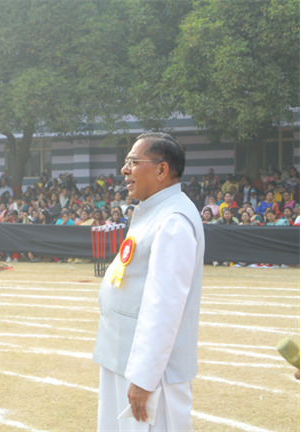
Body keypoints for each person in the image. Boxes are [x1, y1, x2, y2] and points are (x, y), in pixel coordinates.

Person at [93, 132, 204, 432]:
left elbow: (164, 306)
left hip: (151, 374)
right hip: (123, 355)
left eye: (133, 162)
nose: (124, 170)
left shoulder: (173, 221)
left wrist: (144, 378)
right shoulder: (155, 210)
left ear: (161, 170)